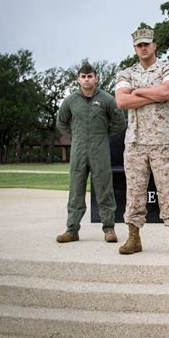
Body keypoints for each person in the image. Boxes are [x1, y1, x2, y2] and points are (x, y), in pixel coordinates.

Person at [114, 24, 169, 256]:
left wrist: (137, 93)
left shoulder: (168, 68)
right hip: (135, 142)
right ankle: (134, 238)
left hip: (164, 141)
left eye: (146, 44)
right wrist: (151, 94)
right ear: (135, 48)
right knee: (134, 192)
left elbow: (167, 93)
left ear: (154, 45)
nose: (143, 48)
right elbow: (122, 102)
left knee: (168, 191)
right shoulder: (126, 73)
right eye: (139, 45)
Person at [56, 62, 126, 243]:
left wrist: (104, 134)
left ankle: (109, 229)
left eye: (90, 76)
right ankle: (72, 229)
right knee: (75, 189)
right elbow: (61, 122)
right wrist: (75, 135)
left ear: (96, 78)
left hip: (100, 149)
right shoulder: (71, 100)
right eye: (83, 76)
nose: (87, 79)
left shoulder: (106, 99)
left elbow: (120, 121)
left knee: (104, 188)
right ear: (78, 79)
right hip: (78, 150)